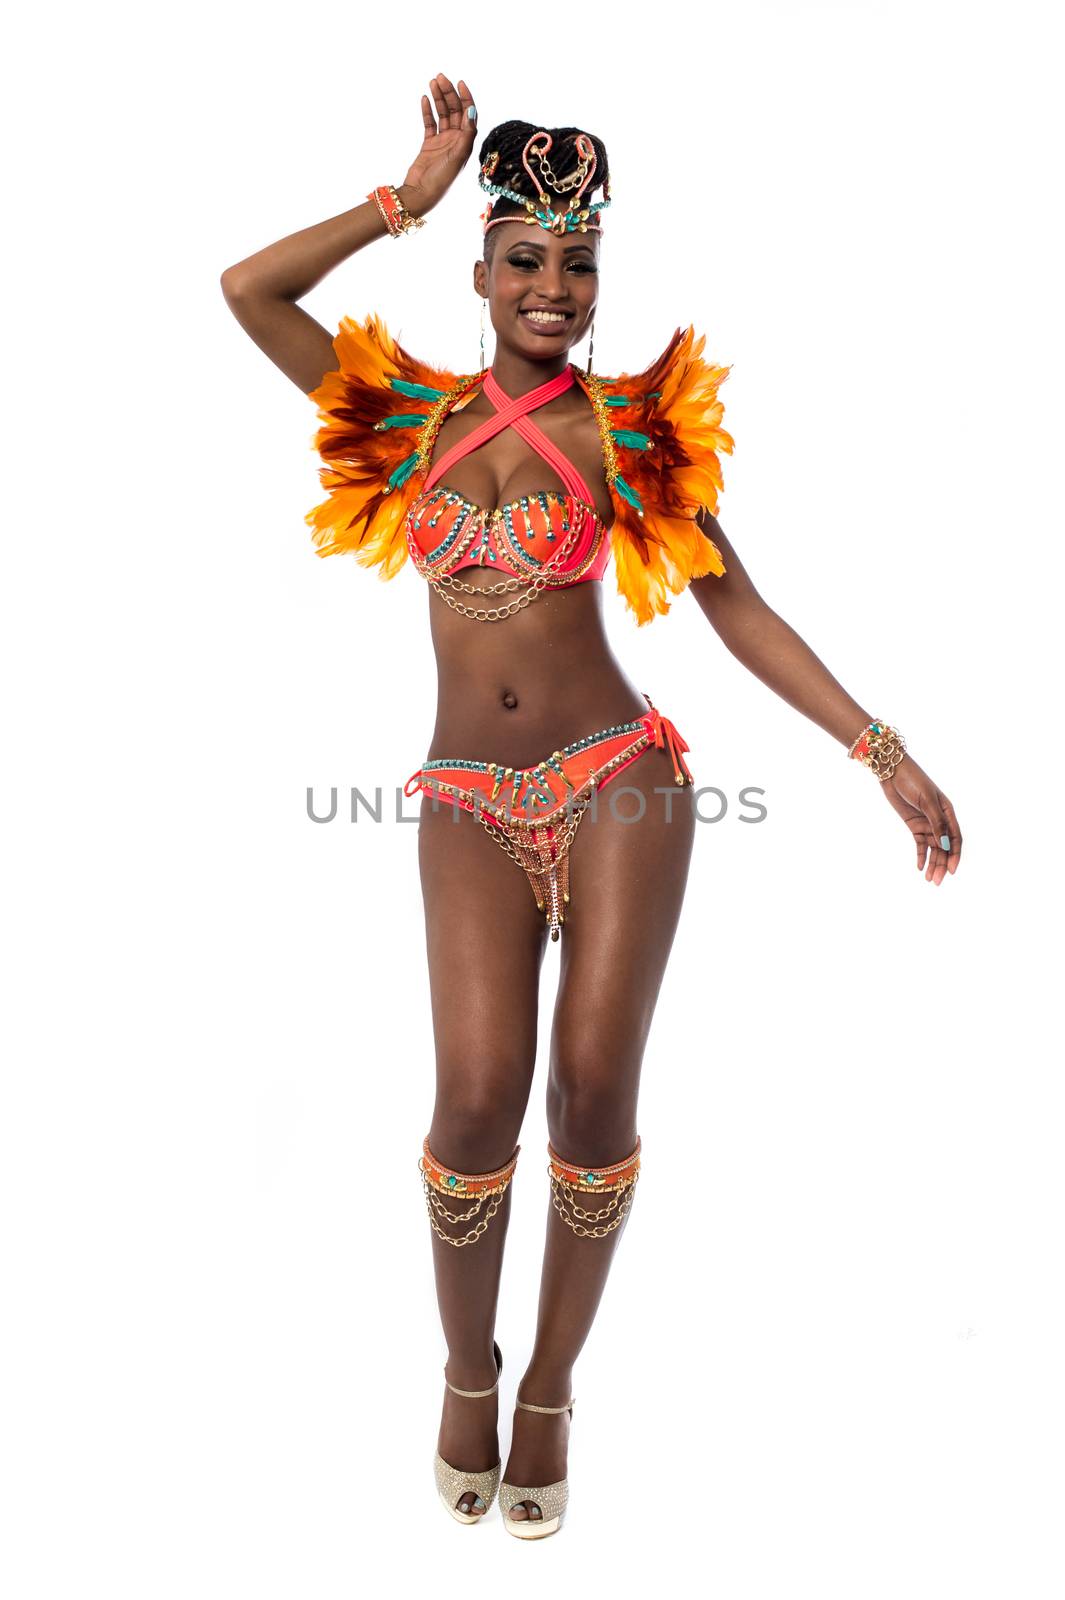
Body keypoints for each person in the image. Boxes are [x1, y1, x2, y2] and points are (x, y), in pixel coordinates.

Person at [221, 73, 963, 1541]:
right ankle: (466, 1365)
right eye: (523, 260)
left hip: (619, 782)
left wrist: (877, 748)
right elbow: (249, 289)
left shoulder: (630, 433)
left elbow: (734, 608)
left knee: (592, 1101)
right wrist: (403, 195)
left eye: (578, 264)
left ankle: (551, 1384)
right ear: (481, 270)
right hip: (462, 797)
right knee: (475, 1101)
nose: (553, 288)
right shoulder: (401, 411)